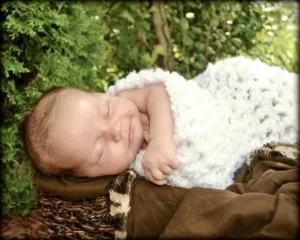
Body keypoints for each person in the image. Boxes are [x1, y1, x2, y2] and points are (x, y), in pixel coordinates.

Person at [22, 56, 298, 189]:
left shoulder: (129, 95)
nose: (115, 129)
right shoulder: (130, 175)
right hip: (234, 145)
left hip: (230, 100)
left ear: (102, 94)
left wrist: (161, 139)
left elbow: (161, 90)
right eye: (100, 150)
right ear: (89, 176)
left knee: (277, 98)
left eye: (105, 111)